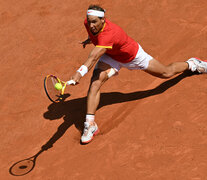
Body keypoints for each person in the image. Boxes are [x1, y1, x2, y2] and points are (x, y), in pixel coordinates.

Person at [68, 4, 207, 144]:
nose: (91, 25)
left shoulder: (110, 33)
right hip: (111, 56)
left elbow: (93, 57)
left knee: (166, 72)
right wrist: (90, 38)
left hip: (132, 57)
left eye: (94, 22)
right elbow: (94, 35)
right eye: (89, 21)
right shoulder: (89, 23)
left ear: (103, 20)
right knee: (95, 82)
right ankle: (90, 124)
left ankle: (193, 64)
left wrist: (79, 74)